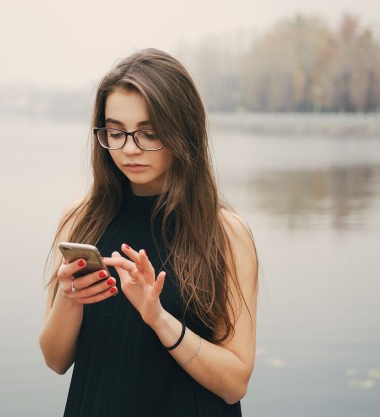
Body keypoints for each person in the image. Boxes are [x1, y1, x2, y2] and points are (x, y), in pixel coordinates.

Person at [39, 48, 259, 417]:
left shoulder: (226, 233)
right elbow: (55, 360)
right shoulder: (79, 218)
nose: (129, 149)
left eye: (149, 133)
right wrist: (69, 297)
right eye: (116, 132)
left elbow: (235, 383)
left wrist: (158, 318)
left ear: (183, 131)